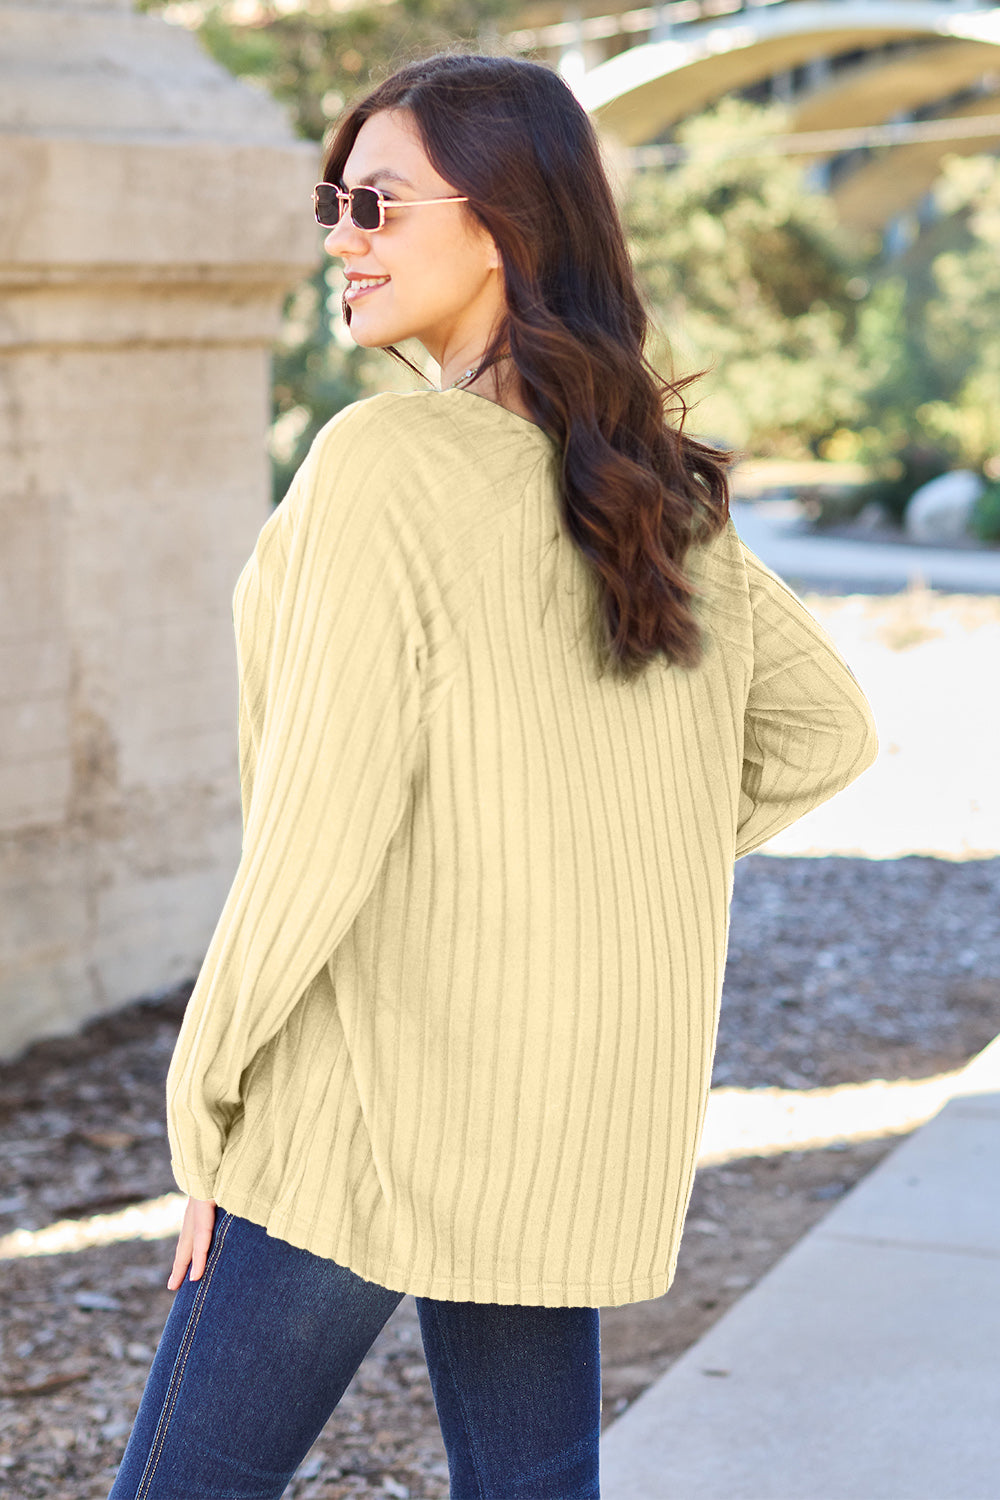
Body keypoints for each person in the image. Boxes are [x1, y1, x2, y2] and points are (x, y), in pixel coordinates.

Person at [108, 51, 878, 1500]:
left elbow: (317, 838)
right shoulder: (646, 483)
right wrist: (588, 860)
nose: (341, 237)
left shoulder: (385, 462)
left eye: (379, 204)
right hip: (555, 1111)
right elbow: (823, 732)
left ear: (506, 221)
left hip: (363, 1108)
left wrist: (203, 1099)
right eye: (336, 203)